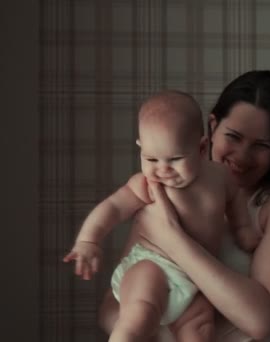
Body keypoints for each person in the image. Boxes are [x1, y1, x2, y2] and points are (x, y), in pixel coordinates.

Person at [98, 70, 270, 341]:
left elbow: (261, 320)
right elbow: (110, 310)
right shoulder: (170, 190)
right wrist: (142, 321)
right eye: (233, 136)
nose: (242, 156)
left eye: (260, 145)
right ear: (211, 128)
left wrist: (173, 239)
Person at [64, 90, 260, 341]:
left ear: (201, 148)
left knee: (201, 329)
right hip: (151, 266)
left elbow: (235, 203)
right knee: (138, 317)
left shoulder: (220, 178)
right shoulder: (145, 184)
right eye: (151, 158)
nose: (162, 170)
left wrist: (243, 229)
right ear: (140, 149)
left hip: (194, 278)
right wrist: (88, 241)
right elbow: (112, 208)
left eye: (175, 159)